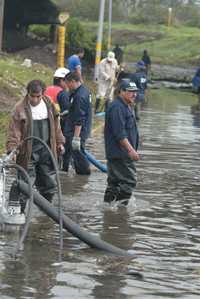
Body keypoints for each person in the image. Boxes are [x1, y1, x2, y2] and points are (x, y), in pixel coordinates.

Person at [6, 80, 65, 212]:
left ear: (42, 94)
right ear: (28, 93)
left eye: (38, 96)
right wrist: (13, 149)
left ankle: (47, 212)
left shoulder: (49, 104)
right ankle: (19, 212)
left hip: (47, 149)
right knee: (26, 182)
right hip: (28, 151)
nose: (35, 99)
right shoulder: (20, 108)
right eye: (32, 96)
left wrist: (60, 142)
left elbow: (56, 125)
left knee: (49, 182)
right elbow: (14, 131)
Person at [104, 81, 140, 205]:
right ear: (122, 92)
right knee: (130, 181)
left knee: (114, 183)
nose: (134, 94)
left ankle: (108, 208)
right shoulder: (117, 107)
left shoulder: (126, 106)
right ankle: (120, 210)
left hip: (120, 153)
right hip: (120, 154)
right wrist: (131, 150)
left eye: (135, 91)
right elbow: (120, 134)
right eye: (130, 91)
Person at [61, 72, 92, 175]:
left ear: (73, 81)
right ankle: (65, 170)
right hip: (80, 128)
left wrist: (76, 138)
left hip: (77, 131)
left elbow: (80, 118)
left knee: (78, 153)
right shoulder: (83, 90)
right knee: (72, 152)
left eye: (67, 83)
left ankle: (83, 175)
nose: (66, 86)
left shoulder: (79, 96)